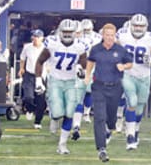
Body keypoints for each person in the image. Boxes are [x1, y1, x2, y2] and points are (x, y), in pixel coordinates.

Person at [35, 20, 87, 155]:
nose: (68, 34)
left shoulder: (80, 46)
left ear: (75, 33)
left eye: (70, 32)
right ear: (60, 31)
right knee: (58, 113)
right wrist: (38, 80)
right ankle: (54, 117)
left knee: (70, 113)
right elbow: (40, 61)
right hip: (55, 81)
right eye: (65, 32)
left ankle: (62, 144)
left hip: (71, 82)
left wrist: (81, 68)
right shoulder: (52, 43)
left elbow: (83, 61)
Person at [116, 13, 151, 150]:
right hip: (128, 74)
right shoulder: (122, 35)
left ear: (146, 27)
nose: (138, 28)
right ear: (131, 25)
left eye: (141, 26)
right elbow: (113, 50)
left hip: (144, 77)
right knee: (131, 101)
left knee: (139, 108)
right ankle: (130, 136)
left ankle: (135, 129)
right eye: (136, 25)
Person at [84, 23, 133, 162]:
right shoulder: (96, 49)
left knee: (111, 119)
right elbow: (90, 62)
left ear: (115, 35)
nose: (110, 37)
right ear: (103, 35)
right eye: (107, 35)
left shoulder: (120, 50)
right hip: (99, 86)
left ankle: (109, 129)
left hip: (116, 87)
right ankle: (101, 149)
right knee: (99, 117)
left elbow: (130, 63)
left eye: (112, 35)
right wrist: (87, 75)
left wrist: (123, 66)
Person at [71, 19, 102, 141]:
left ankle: (85, 114)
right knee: (77, 97)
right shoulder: (76, 40)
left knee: (89, 92)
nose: (86, 32)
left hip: (91, 67)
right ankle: (76, 124)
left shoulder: (97, 38)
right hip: (78, 68)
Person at [18, 29, 46, 128]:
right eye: (34, 36)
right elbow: (22, 58)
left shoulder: (46, 48)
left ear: (42, 38)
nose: (35, 38)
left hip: (41, 76)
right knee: (28, 96)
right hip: (29, 74)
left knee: (41, 101)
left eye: (37, 37)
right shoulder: (27, 47)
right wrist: (21, 68)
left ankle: (37, 122)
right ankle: (29, 109)